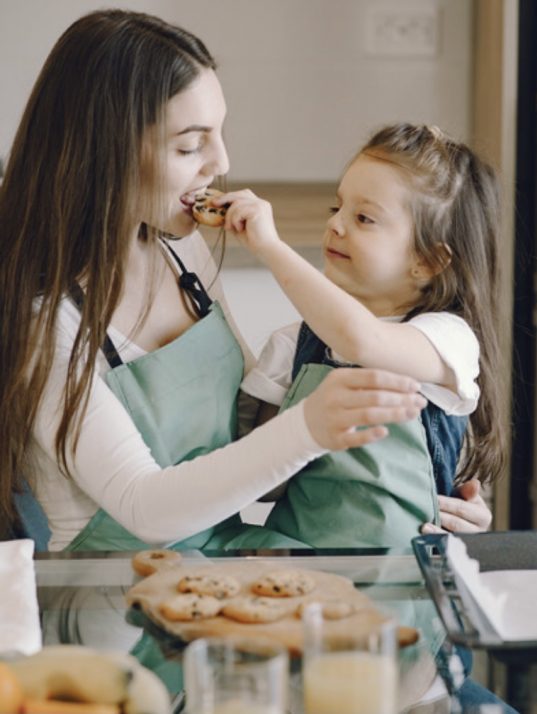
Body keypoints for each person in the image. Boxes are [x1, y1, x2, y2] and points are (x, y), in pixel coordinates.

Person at [0, 10, 491, 552]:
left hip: (232, 563)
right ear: (105, 150)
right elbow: (144, 506)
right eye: (190, 145)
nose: (222, 161)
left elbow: (247, 456)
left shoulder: (184, 252)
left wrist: (427, 486)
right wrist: (307, 427)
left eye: (219, 134)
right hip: (114, 601)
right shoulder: (41, 319)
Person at [212, 122, 506, 549]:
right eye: (337, 208)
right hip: (305, 570)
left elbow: (365, 344)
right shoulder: (292, 346)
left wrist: (271, 248)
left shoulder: (446, 338)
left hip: (407, 576)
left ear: (427, 260)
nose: (337, 226)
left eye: (364, 217)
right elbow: (265, 488)